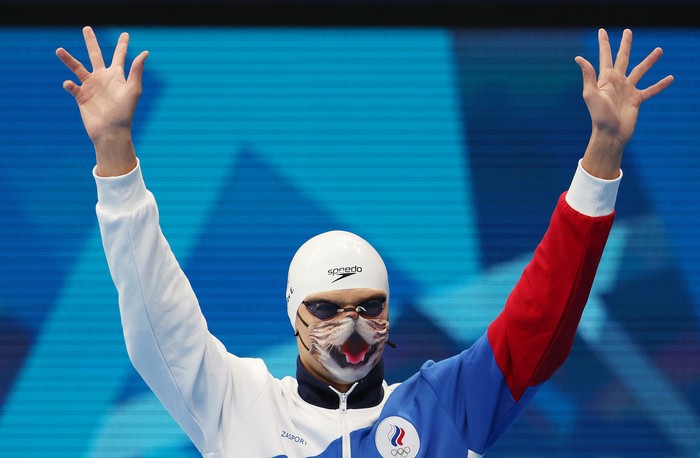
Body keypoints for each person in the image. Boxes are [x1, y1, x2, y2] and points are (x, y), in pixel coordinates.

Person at [56, 26, 673, 457]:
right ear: (294, 315)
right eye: (326, 308)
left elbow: (543, 317)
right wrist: (114, 153)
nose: (351, 327)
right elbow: (154, 318)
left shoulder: (447, 405)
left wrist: (604, 155)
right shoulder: (233, 404)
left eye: (369, 306)